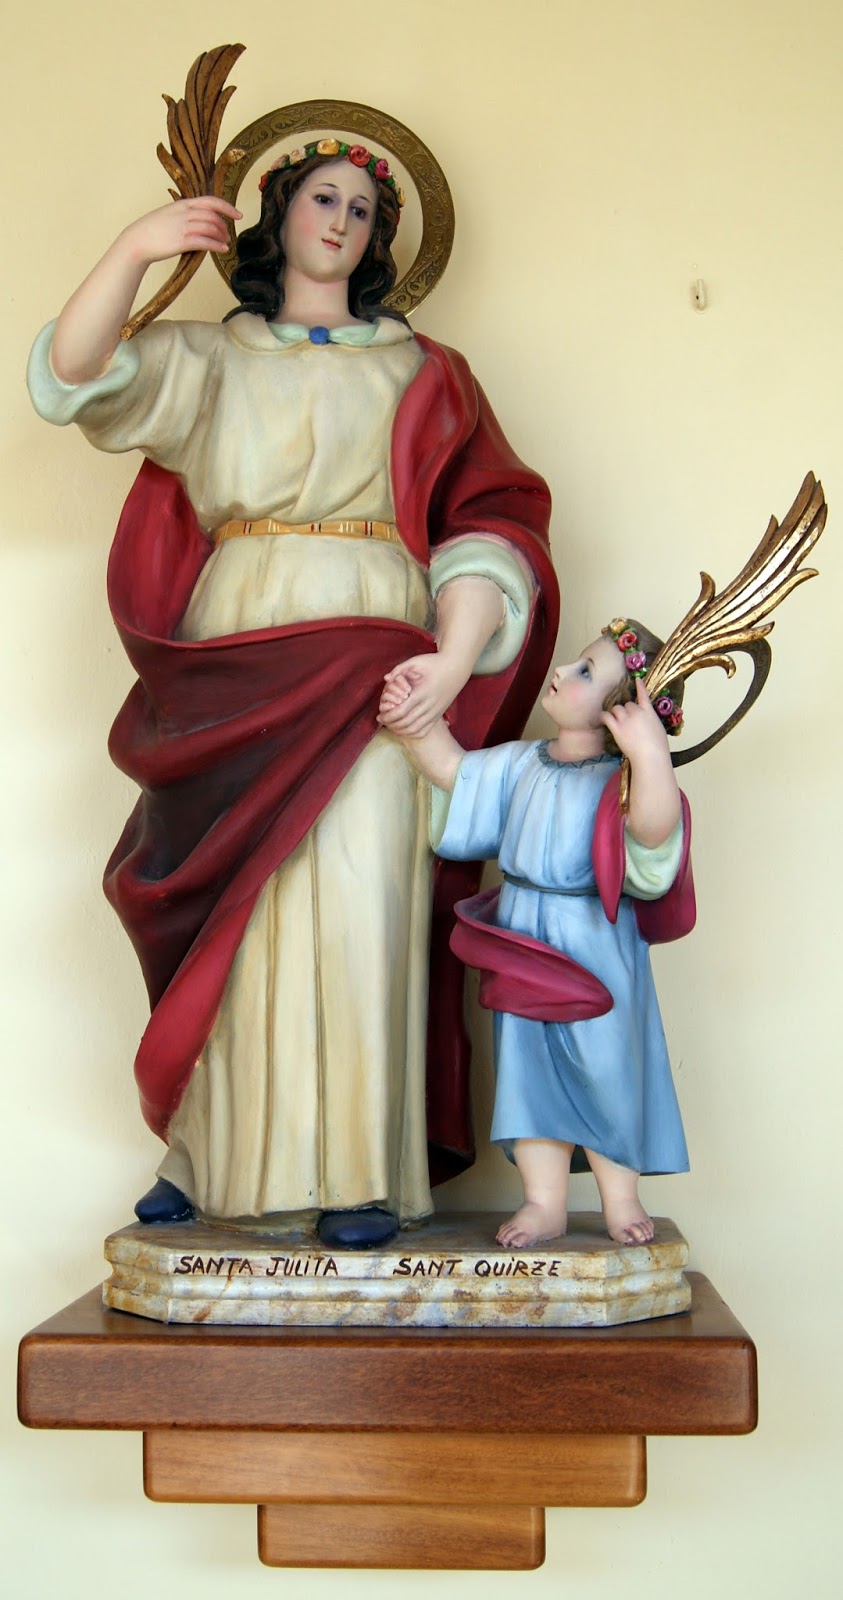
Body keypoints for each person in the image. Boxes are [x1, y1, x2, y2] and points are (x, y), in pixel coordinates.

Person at [27, 140, 558, 1245]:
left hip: (376, 650)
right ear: (277, 214)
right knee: (239, 901)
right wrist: (135, 247)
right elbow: (69, 377)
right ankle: (210, 1154)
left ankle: (360, 1172)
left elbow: (490, 528)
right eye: (325, 197)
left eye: (365, 210)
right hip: (237, 651)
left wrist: (451, 660)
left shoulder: (427, 371)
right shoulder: (213, 359)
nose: (342, 222)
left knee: (360, 902)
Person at [380, 617, 694, 1248]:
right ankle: (543, 1201)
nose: (563, 671)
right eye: (575, 661)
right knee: (528, 1070)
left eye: (586, 672)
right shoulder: (524, 762)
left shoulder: (625, 783)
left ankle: (620, 1196)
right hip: (524, 938)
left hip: (595, 942)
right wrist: (413, 721)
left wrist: (650, 756)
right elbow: (457, 773)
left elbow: (655, 832)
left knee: (608, 1067)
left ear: (621, 709)